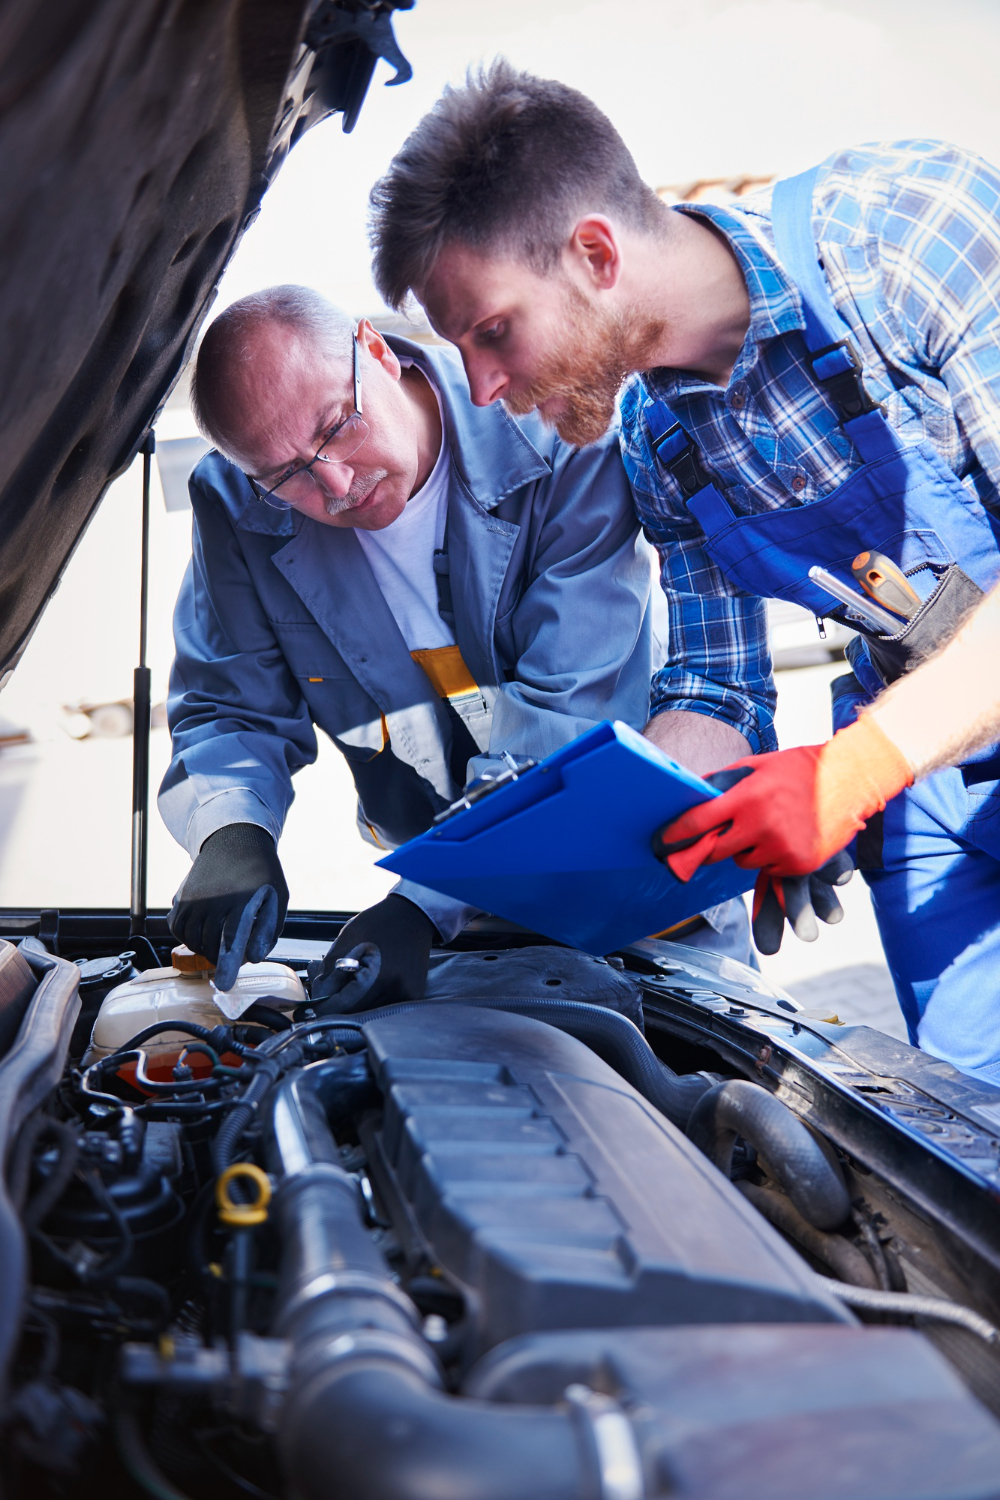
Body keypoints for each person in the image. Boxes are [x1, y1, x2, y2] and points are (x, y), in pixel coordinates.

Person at [366, 62, 1000, 1079]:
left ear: (593, 252)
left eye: (492, 333)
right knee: (970, 1152)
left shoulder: (900, 239)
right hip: (933, 801)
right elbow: (716, 687)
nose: (481, 388)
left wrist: (849, 773)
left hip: (897, 756)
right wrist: (699, 826)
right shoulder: (660, 441)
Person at [160, 285, 748, 1007]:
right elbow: (229, 706)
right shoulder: (237, 506)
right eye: (286, 476)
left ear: (375, 349)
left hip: (636, 883)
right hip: (455, 930)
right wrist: (231, 829)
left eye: (338, 426)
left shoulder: (558, 432)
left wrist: (420, 907)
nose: (335, 485)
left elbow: (568, 717)